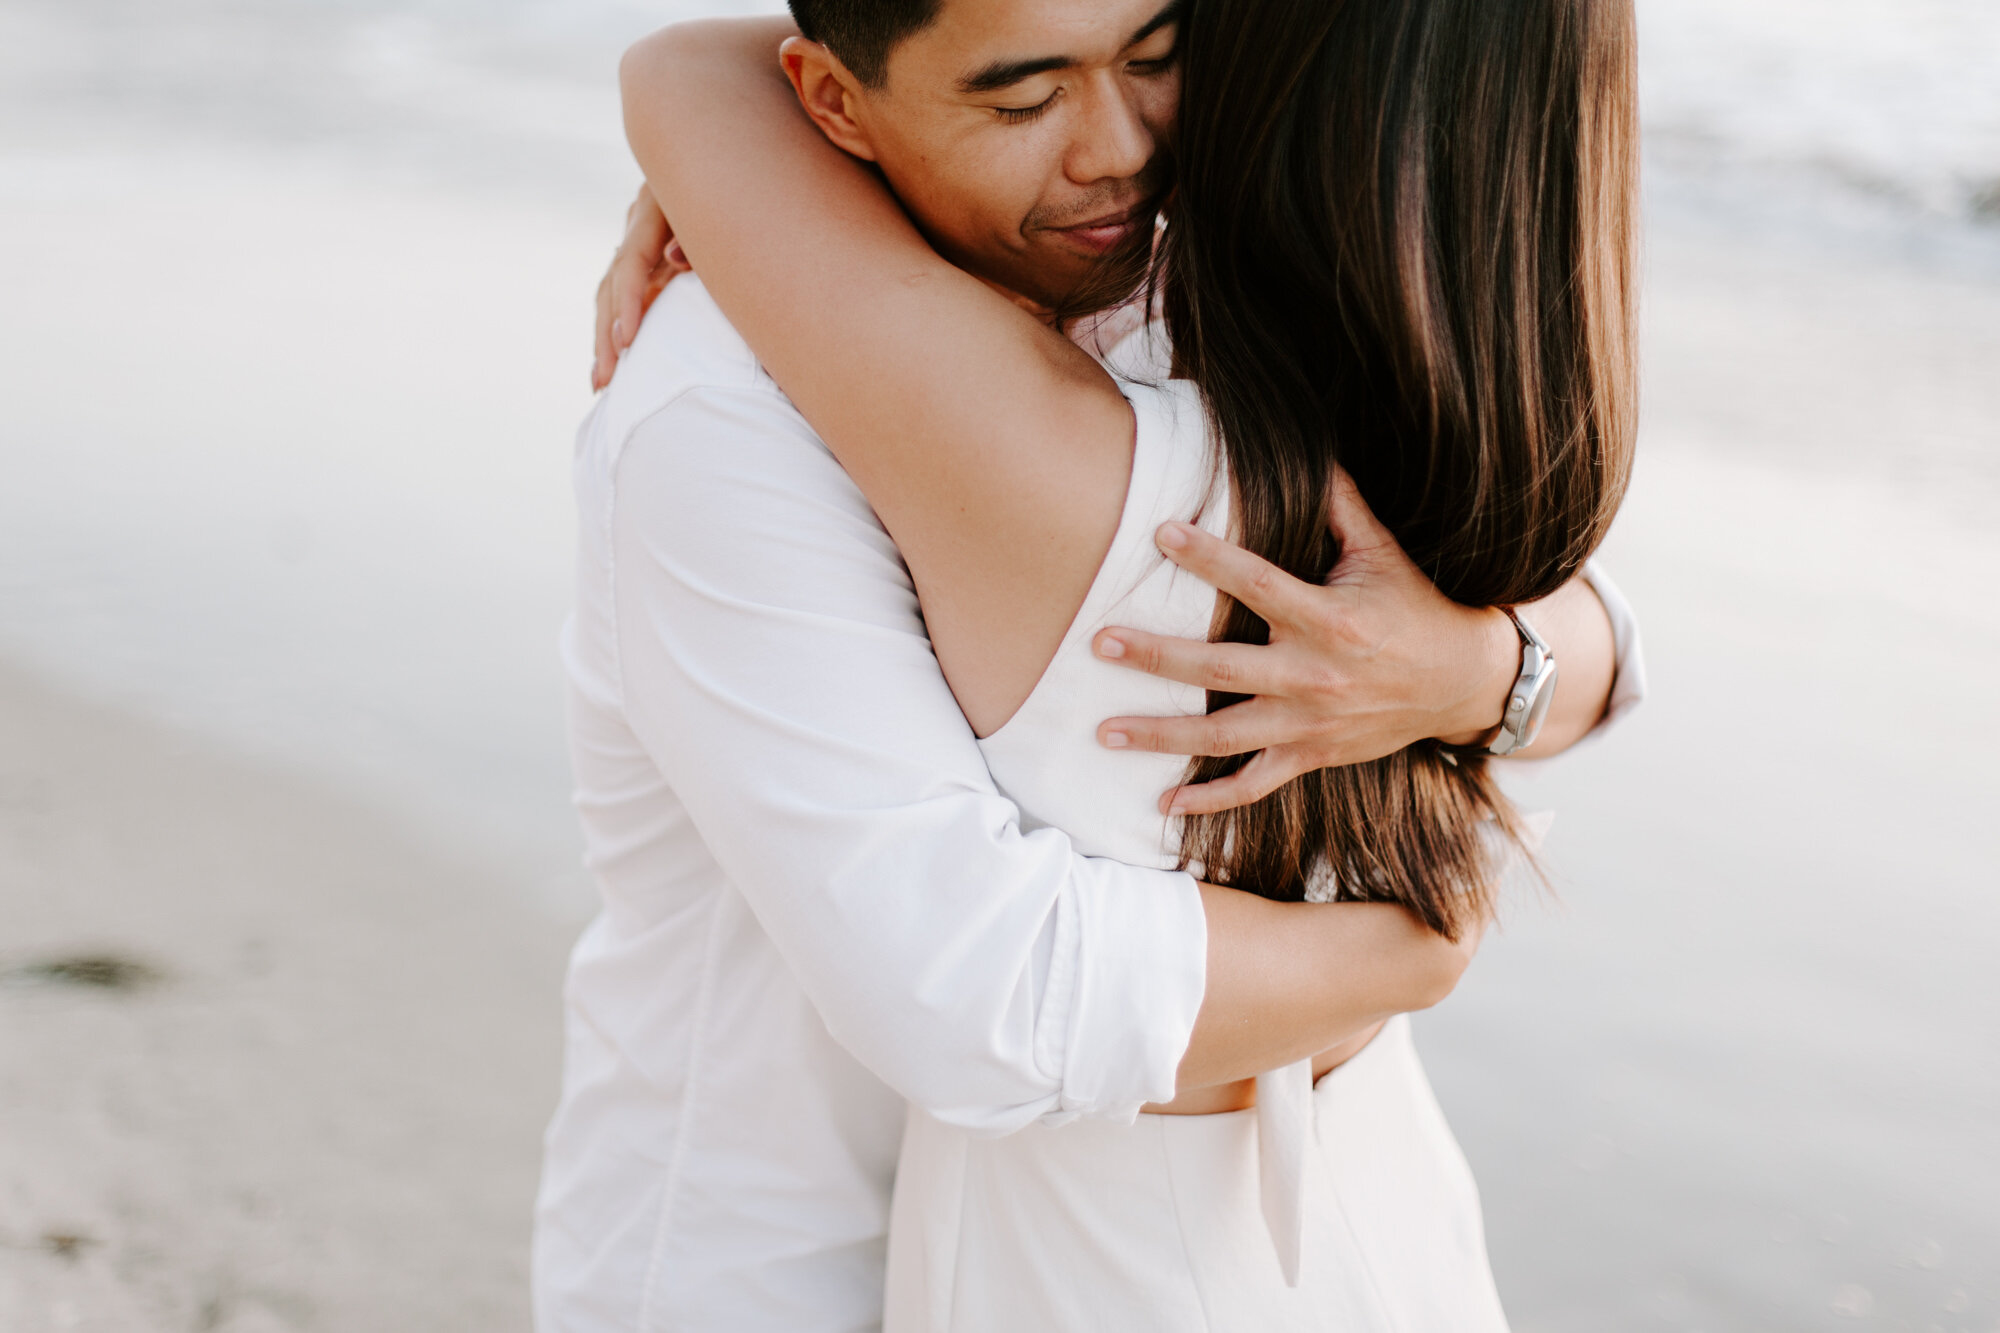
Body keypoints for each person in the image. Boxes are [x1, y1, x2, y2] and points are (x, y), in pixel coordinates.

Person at [542, 0, 1643, 1328]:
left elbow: (1594, 632)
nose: (1116, 149)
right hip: (780, 1258)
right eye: (1021, 101)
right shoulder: (716, 422)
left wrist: (1473, 669)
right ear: (828, 105)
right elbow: (974, 984)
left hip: (1289, 1223)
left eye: (1158, 58)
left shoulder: (1181, 294)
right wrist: (1406, 951)